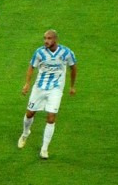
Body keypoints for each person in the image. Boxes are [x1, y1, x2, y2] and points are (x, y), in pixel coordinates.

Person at [18, 30, 77, 160]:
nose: (46, 41)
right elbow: (31, 67)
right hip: (39, 88)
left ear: (55, 39)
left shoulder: (66, 53)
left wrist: (72, 86)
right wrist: (27, 84)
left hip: (55, 89)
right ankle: (25, 133)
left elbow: (73, 67)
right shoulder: (39, 52)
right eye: (45, 38)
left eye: (49, 38)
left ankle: (44, 149)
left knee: (51, 118)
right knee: (30, 113)